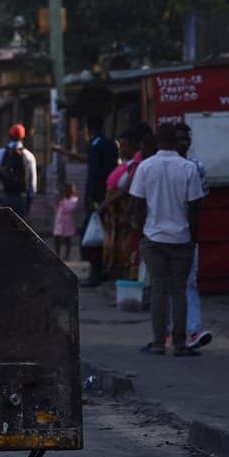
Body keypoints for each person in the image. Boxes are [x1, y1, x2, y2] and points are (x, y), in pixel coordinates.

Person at [129, 123, 205, 357]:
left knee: (159, 290)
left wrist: (143, 231)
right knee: (179, 291)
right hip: (182, 238)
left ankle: (159, 342)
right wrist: (193, 238)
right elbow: (195, 207)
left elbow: (138, 205)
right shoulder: (188, 168)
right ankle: (180, 345)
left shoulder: (145, 167)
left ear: (157, 141)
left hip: (153, 237)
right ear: (176, 141)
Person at [55, 116, 119, 287]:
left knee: (92, 236)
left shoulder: (95, 145)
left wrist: (91, 197)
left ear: (88, 130)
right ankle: (103, 269)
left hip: (97, 198)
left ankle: (96, 271)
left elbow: (95, 173)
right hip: (107, 195)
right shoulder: (110, 144)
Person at [172, 122, 213, 349]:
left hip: (185, 234)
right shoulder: (157, 166)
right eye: (179, 138)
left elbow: (199, 204)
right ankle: (169, 332)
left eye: (187, 138)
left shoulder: (196, 166)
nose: (184, 142)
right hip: (164, 235)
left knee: (187, 283)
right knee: (167, 285)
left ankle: (193, 330)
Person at [98, 128, 143, 276]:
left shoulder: (136, 164)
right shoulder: (127, 163)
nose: (121, 149)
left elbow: (126, 189)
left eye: (124, 146)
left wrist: (107, 202)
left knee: (127, 247)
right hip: (115, 212)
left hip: (123, 211)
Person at [0, 124, 37, 219]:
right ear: (23, 137)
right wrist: (31, 197)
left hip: (4, 194)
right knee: (21, 227)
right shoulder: (29, 156)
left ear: (9, 136)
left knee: (3, 225)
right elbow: (32, 181)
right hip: (21, 196)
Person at [54, 183, 80, 260]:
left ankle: (67, 255)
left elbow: (69, 209)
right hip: (59, 221)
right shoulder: (63, 199)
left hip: (67, 222)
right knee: (57, 238)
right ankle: (57, 254)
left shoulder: (74, 200)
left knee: (67, 239)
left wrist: (62, 202)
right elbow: (56, 208)